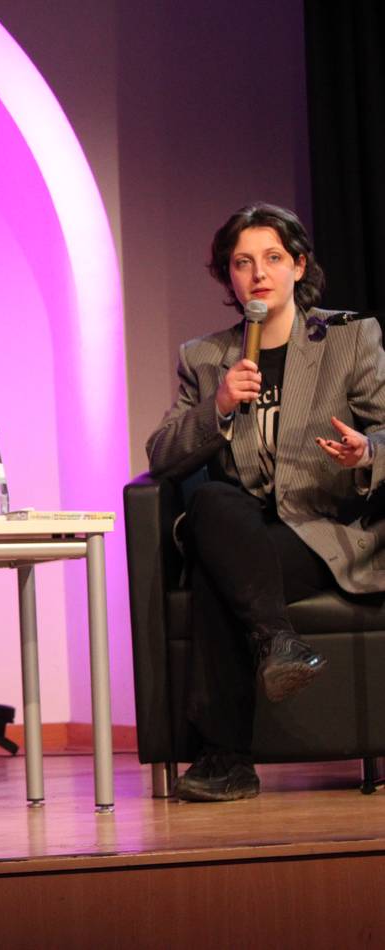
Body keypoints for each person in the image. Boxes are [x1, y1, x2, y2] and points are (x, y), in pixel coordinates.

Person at [146, 203, 385, 802]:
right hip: (244, 525)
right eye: (243, 262)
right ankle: (280, 642)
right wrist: (218, 406)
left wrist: (365, 452)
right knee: (211, 508)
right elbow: (160, 454)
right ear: (229, 278)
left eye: (274, 258)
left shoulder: (349, 338)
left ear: (299, 266)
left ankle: (225, 760)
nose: (259, 273)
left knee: (212, 571)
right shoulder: (206, 357)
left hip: (323, 531)